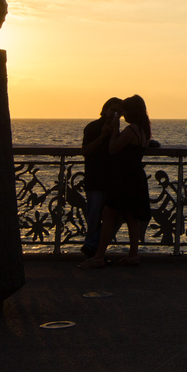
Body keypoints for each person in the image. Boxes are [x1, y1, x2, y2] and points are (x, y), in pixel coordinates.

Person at [79, 94, 153, 268]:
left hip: (124, 179)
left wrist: (114, 131)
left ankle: (97, 256)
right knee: (131, 218)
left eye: (125, 110)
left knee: (109, 215)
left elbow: (113, 149)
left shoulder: (130, 130)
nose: (122, 114)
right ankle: (133, 255)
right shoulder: (144, 130)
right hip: (136, 177)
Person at [80, 97, 123, 258]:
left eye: (119, 111)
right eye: (113, 110)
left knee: (117, 216)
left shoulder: (117, 129)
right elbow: (85, 151)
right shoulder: (92, 127)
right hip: (96, 180)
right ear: (105, 110)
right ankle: (92, 255)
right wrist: (102, 137)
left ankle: (92, 248)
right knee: (94, 219)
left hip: (112, 181)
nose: (115, 114)